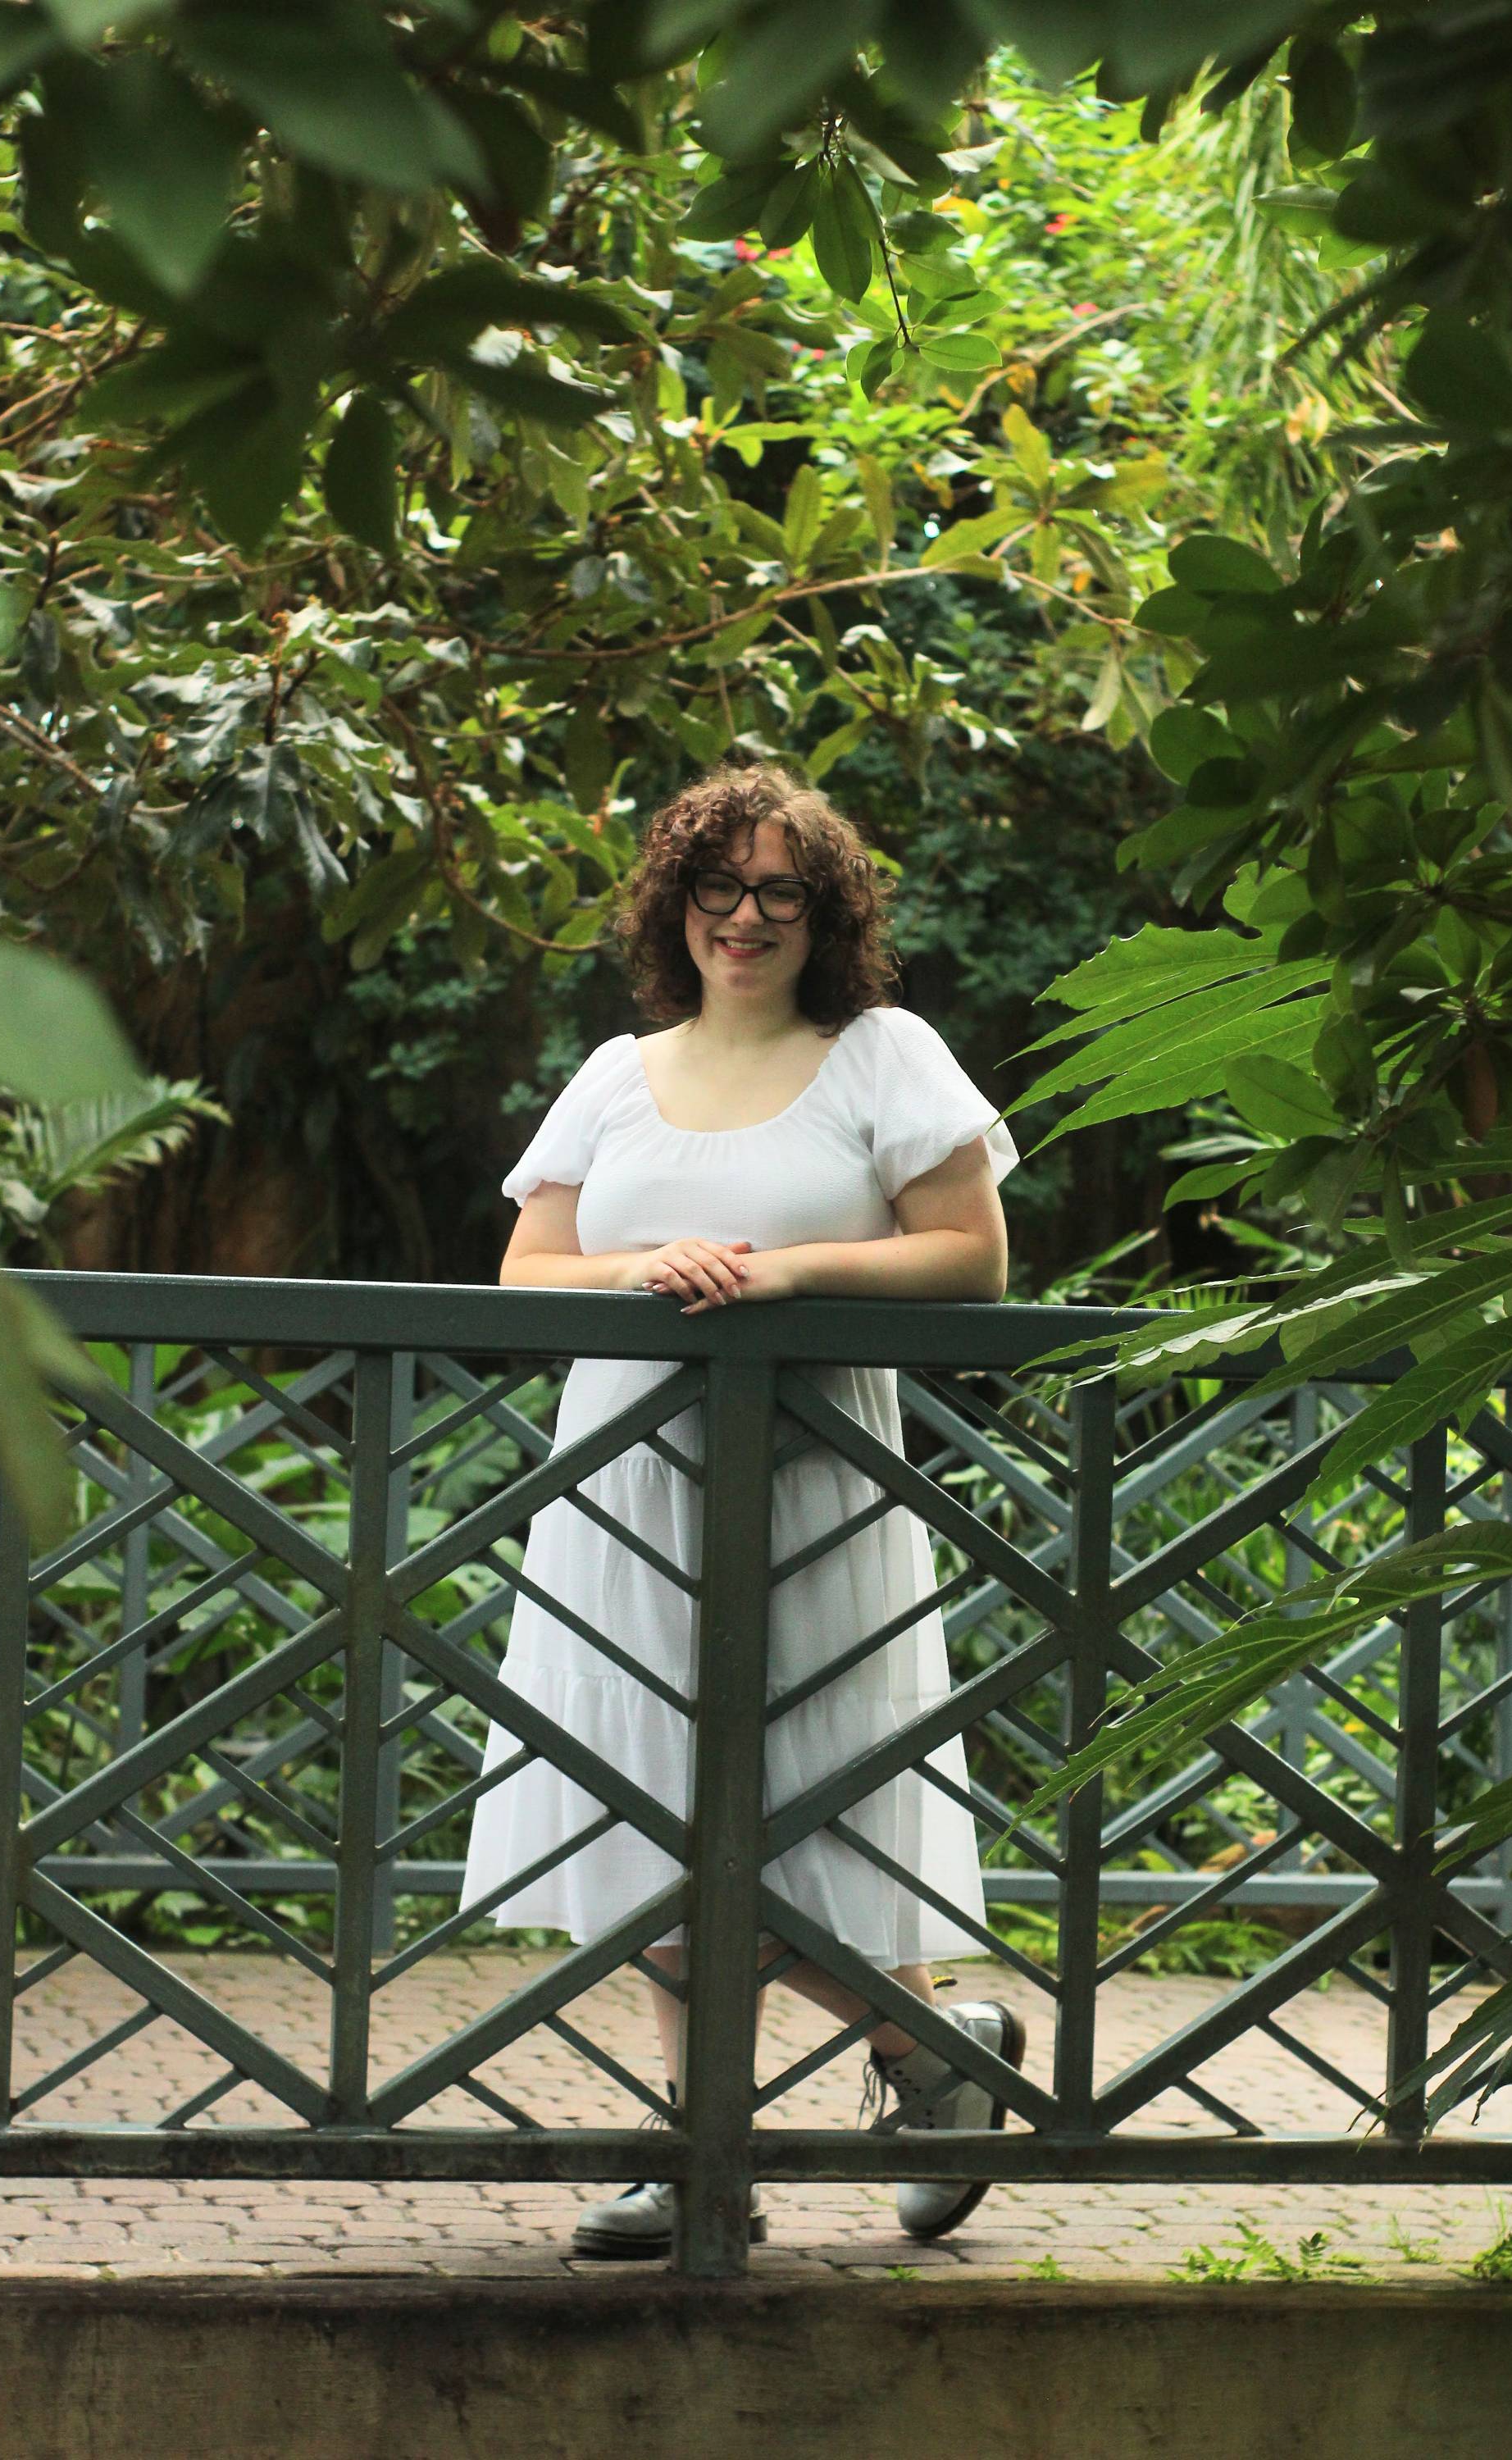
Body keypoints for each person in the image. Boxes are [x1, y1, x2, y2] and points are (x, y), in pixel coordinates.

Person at [462, 761, 1025, 2258]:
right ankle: (787, 2108)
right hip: (626, 1491)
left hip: (821, 1487)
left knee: (800, 1805)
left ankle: (887, 2067)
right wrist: (653, 1271)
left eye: (782, 889)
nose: (747, 916)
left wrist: (778, 1276)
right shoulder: (612, 1073)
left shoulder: (884, 1055)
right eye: (720, 886)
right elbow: (532, 1271)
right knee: (639, 1798)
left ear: (822, 910)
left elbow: (971, 1257)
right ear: (677, 904)